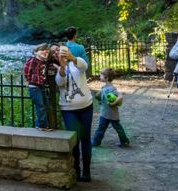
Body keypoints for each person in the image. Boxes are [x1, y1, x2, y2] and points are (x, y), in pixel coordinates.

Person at [56, 45, 93, 182]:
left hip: (85, 107)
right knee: (74, 140)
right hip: (68, 109)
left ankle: (87, 171)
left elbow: (84, 67)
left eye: (65, 51)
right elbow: (60, 83)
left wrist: (72, 58)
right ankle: (76, 170)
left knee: (85, 139)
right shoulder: (58, 68)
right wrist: (62, 66)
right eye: (61, 52)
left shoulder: (77, 63)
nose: (63, 54)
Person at [91, 68, 130, 147]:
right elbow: (101, 97)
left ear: (107, 78)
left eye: (101, 75)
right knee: (101, 128)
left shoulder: (112, 89)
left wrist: (114, 103)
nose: (100, 76)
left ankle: (124, 141)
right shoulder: (104, 88)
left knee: (118, 128)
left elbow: (121, 96)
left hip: (112, 114)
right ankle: (96, 142)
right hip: (104, 113)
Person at [24, 43, 52, 131]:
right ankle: (42, 126)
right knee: (40, 106)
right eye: (42, 50)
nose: (45, 52)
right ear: (35, 52)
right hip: (34, 87)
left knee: (46, 105)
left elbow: (43, 74)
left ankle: (40, 123)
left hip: (41, 86)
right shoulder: (33, 60)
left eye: (47, 52)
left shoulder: (44, 62)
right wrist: (28, 79)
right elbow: (27, 69)